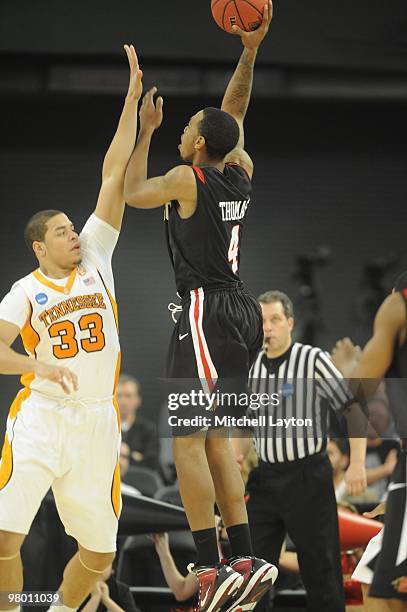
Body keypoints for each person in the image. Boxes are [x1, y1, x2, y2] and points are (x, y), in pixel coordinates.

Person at [124, 5, 278, 610]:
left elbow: (134, 192)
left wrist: (144, 132)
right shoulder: (239, 171)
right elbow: (231, 117)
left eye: (188, 125)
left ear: (195, 144)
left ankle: (211, 569)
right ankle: (244, 557)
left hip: (204, 311)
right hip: (239, 310)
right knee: (217, 441)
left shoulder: (186, 179)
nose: (185, 127)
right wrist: (249, 51)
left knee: (187, 442)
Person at [0, 45, 143, 612]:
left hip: (96, 422)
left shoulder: (96, 261)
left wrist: (130, 103)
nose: (72, 235)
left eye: (72, 227)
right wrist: (35, 364)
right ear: (40, 245)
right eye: (61, 232)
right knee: (6, 536)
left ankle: (59, 610)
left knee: (100, 554)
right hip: (41, 417)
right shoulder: (24, 291)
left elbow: (113, 174)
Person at [233, 290, 367, 612]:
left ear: (290, 322)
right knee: (252, 569)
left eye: (275, 319)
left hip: (308, 475)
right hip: (265, 478)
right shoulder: (250, 367)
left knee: (320, 569)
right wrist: (234, 462)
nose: (267, 327)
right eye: (262, 321)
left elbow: (353, 410)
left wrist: (358, 463)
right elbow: (244, 425)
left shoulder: (313, 360)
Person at [340, 272, 407, 610]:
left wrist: (350, 369)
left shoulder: (397, 305)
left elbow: (357, 393)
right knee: (371, 578)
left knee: (379, 587)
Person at [116, 373, 159, 471]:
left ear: (138, 399)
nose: (123, 401)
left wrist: (127, 455)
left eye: (128, 396)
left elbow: (152, 463)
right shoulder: (105, 429)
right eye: (119, 396)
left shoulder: (148, 430)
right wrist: (135, 456)